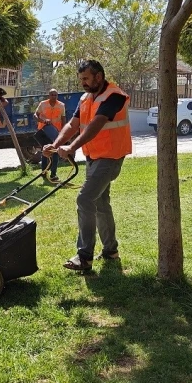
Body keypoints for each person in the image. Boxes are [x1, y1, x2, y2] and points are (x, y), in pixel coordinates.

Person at [42, 60, 132, 271]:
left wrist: (71, 147)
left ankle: (84, 257)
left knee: (85, 199)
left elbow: (96, 125)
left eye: (86, 79)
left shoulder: (114, 96)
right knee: (100, 202)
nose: (82, 83)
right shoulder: (86, 98)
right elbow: (73, 124)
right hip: (94, 156)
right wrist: (55, 145)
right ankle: (111, 251)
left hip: (110, 157)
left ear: (98, 77)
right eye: (81, 79)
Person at [34, 89, 66, 181]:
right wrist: (43, 121)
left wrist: (63, 132)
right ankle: (44, 173)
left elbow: (63, 119)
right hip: (44, 132)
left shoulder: (61, 105)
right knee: (45, 152)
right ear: (49, 95)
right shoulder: (43, 104)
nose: (54, 96)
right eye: (52, 95)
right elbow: (35, 115)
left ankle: (53, 174)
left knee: (55, 154)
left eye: (55, 95)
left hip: (55, 133)